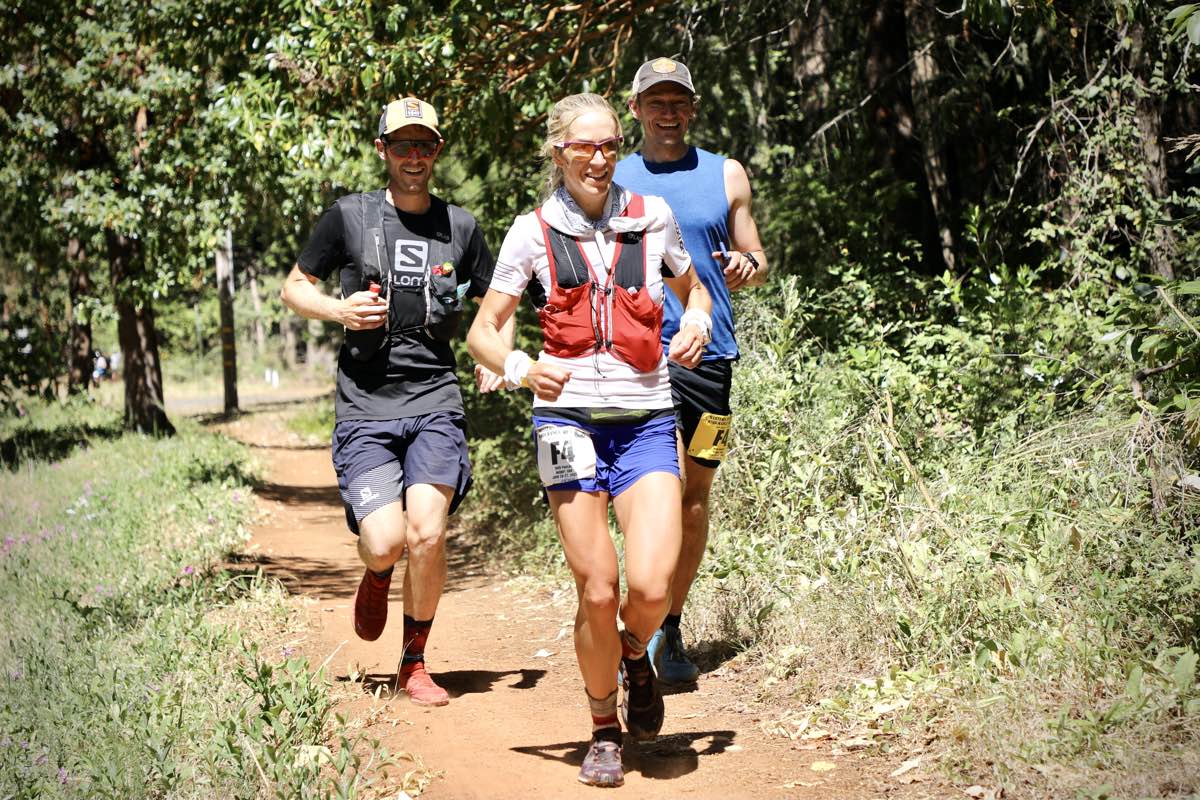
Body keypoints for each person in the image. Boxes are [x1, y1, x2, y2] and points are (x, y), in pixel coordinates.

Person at [468, 93, 712, 788]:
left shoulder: (651, 217)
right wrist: (518, 366)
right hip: (568, 425)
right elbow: (483, 333)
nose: (601, 159)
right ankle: (603, 725)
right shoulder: (530, 232)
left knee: (651, 585)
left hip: (644, 421)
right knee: (598, 588)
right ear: (559, 154)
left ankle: (635, 653)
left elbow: (694, 292)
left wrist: (693, 321)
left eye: (610, 145)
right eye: (586, 147)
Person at [281, 96, 504, 707]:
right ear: (382, 150)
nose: (414, 156)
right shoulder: (348, 217)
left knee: (427, 534)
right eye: (402, 145)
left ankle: (414, 661)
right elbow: (294, 288)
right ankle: (376, 573)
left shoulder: (460, 227)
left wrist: (495, 359)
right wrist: (339, 310)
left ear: (436, 151)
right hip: (365, 404)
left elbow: (497, 301)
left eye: (424, 145)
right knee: (385, 540)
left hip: (435, 397)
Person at [613, 57, 769, 686]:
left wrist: (747, 266)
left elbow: (755, 253)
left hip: (714, 359)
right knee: (661, 489)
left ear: (693, 108)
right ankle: (641, 632)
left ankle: (669, 624)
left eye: (678, 102)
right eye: (656, 102)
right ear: (636, 111)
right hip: (638, 361)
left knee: (695, 496)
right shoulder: (611, 174)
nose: (668, 113)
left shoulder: (725, 173)